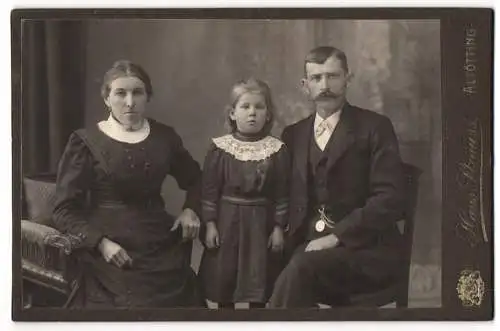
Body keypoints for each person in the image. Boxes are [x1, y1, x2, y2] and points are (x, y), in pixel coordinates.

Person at [52, 60, 204, 308]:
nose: (130, 102)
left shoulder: (165, 137)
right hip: (111, 250)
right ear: (106, 98)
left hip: (160, 244)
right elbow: (64, 209)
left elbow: (197, 179)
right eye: (120, 93)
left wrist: (190, 209)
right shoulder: (85, 142)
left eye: (138, 93)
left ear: (148, 97)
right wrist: (100, 243)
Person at [269, 46, 407, 308]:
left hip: (366, 251)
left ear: (348, 79)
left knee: (300, 268)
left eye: (333, 76)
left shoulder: (375, 127)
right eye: (316, 78)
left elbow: (390, 198)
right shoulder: (293, 135)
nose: (325, 85)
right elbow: (283, 195)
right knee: (265, 260)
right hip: (307, 246)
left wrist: (337, 236)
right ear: (304, 85)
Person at [198, 78, 289, 309]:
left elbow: (282, 193)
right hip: (228, 222)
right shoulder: (220, 149)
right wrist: (210, 224)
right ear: (232, 113)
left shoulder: (276, 150)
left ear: (268, 115)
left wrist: (278, 228)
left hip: (260, 224)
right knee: (225, 280)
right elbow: (209, 191)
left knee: (259, 280)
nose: (252, 113)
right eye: (245, 107)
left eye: (259, 107)